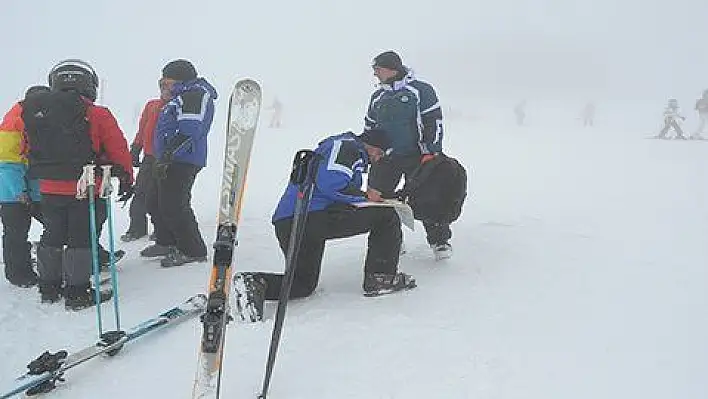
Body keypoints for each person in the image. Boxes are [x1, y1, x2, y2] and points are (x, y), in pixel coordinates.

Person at [234, 130, 416, 321]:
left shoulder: (338, 147)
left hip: (289, 221)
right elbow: (332, 183)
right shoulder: (348, 148)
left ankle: (255, 284)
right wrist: (364, 196)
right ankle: (381, 277)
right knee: (386, 215)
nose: (377, 159)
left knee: (302, 284)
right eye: (379, 153)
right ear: (370, 145)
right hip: (311, 216)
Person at [22, 59, 134, 310]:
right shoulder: (97, 113)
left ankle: (48, 288)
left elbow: (27, 147)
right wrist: (126, 176)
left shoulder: (38, 111)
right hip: (86, 186)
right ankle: (77, 292)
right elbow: (118, 148)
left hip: (49, 187)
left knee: (51, 234)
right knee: (80, 238)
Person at [363, 50, 452, 260]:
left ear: (390, 68)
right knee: (379, 199)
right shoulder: (378, 97)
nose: (375, 74)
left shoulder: (420, 90)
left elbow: (434, 121)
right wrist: (369, 150)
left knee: (430, 196)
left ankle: (439, 240)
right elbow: (370, 126)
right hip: (387, 158)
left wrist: (431, 151)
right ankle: (391, 239)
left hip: (418, 156)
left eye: (377, 69)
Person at [139, 59, 217, 267]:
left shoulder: (194, 95)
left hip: (183, 159)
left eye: (167, 83)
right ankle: (166, 241)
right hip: (169, 157)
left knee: (174, 205)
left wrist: (169, 154)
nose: (164, 88)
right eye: (161, 83)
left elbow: (190, 130)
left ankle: (193, 249)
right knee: (154, 201)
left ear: (181, 80)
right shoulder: (180, 97)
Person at [0, 85, 48, 287]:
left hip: (31, 185)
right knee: (16, 232)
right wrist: (20, 193)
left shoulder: (38, 119)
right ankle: (18, 274)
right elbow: (7, 163)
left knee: (56, 223)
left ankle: (50, 263)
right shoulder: (13, 122)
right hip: (10, 191)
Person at [120, 78, 171, 242]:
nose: (165, 90)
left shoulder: (177, 106)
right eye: (163, 86)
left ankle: (161, 229)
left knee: (161, 196)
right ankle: (136, 228)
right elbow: (142, 129)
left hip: (167, 159)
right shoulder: (152, 105)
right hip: (149, 157)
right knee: (140, 193)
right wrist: (135, 148)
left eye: (169, 87)